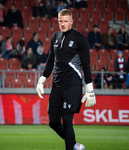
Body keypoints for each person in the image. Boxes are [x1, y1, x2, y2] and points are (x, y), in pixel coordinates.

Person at [36, 9, 96, 150]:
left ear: (71, 22)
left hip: (72, 85)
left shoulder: (80, 39)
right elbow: (50, 60)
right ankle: (74, 144)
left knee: (67, 120)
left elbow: (86, 65)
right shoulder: (55, 36)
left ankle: (71, 147)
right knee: (53, 122)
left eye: (65, 21)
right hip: (57, 85)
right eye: (60, 21)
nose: (62, 24)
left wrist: (90, 90)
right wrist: (41, 80)